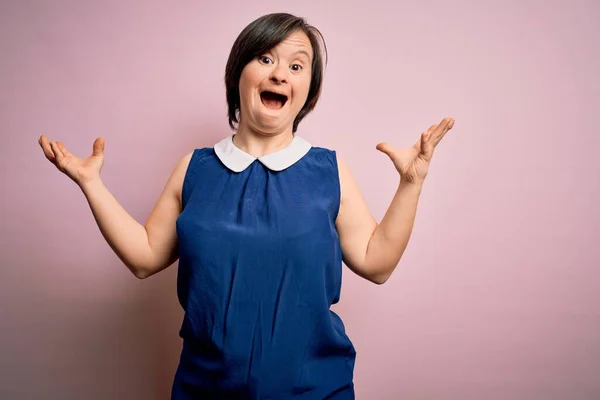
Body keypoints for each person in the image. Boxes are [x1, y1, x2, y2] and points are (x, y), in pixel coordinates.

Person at [38, 12, 454, 400]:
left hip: (316, 390)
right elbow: (145, 257)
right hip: (205, 389)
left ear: (309, 90)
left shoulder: (329, 170)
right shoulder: (195, 168)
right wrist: (91, 184)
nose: (279, 73)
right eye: (265, 57)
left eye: (296, 66)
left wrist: (411, 183)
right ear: (238, 73)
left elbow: (376, 262)